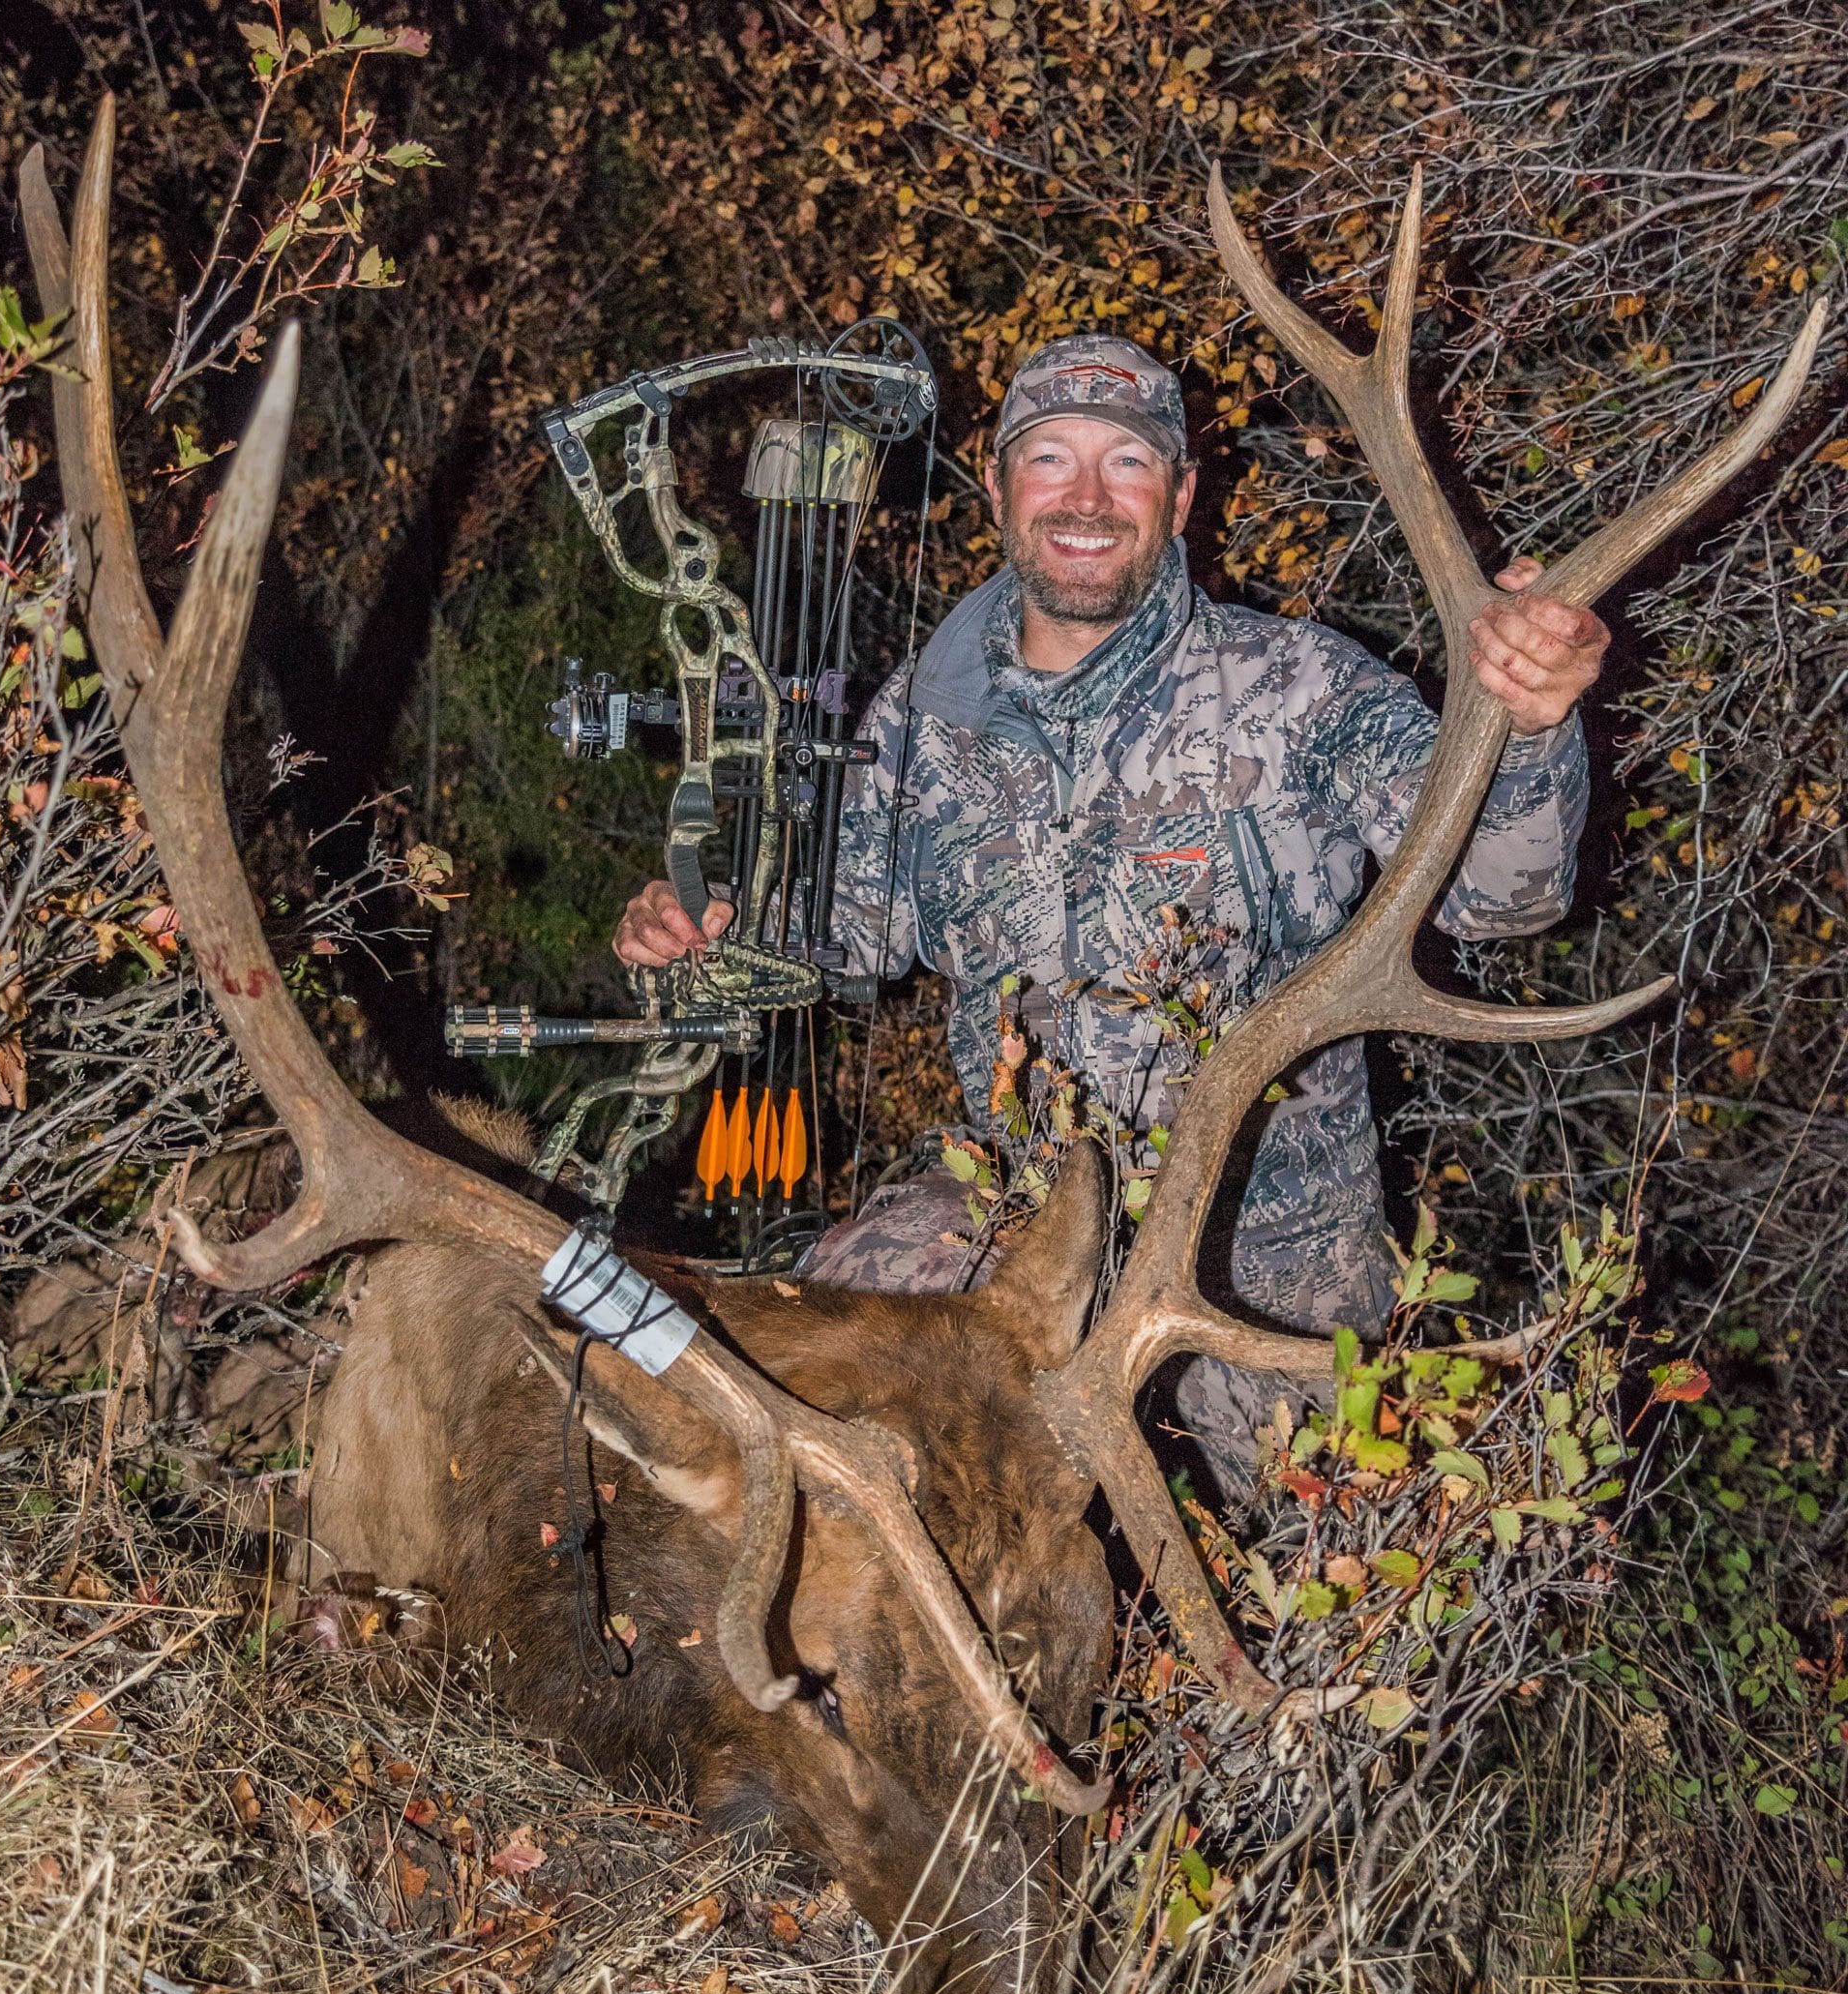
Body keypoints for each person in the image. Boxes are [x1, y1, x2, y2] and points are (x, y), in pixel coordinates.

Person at [614, 335, 1609, 1486]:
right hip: (1013, 1226)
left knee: (1365, 1561)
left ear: (1180, 497)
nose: (1084, 498)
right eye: (1048, 457)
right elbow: (841, 928)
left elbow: (1503, 897)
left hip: (1262, 1253)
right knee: (788, 1396)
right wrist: (705, 925)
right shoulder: (924, 716)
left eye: (1126, 464)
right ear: (995, 488)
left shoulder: (1301, 689)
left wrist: (1530, 727)